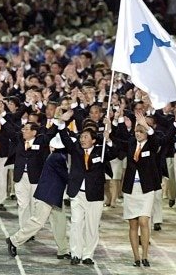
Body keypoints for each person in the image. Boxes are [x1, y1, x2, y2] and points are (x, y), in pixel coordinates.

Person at [58, 109, 116, 266]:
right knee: (76, 223)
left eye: (85, 137)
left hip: (94, 195)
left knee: (92, 226)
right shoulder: (76, 150)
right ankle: (75, 253)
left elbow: (115, 152)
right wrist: (62, 123)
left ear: (93, 140)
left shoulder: (101, 151)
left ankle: (88, 254)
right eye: (81, 137)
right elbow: (64, 138)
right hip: (77, 193)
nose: (82, 140)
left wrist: (108, 138)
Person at [6, 133, 70, 259]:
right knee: (38, 222)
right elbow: (66, 177)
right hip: (47, 195)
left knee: (60, 222)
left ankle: (63, 250)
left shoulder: (59, 156)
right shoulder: (58, 158)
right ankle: (14, 240)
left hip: (54, 195)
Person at [117, 112, 160, 267]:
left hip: (146, 188)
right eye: (136, 131)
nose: (138, 134)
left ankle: (146, 255)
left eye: (141, 131)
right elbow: (120, 135)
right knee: (133, 224)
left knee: (143, 220)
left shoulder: (151, 144)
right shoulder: (130, 144)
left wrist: (146, 126)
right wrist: (119, 119)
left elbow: (157, 140)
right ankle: (136, 257)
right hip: (131, 189)